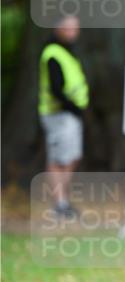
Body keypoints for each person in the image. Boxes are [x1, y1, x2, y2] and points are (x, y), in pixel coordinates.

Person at [38, 14, 89, 218]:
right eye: (69, 28)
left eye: (75, 28)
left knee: (71, 157)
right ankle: (59, 203)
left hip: (70, 115)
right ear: (58, 29)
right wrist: (71, 107)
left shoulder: (68, 52)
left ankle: (63, 201)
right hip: (58, 114)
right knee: (58, 159)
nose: (73, 32)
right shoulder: (53, 53)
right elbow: (55, 88)